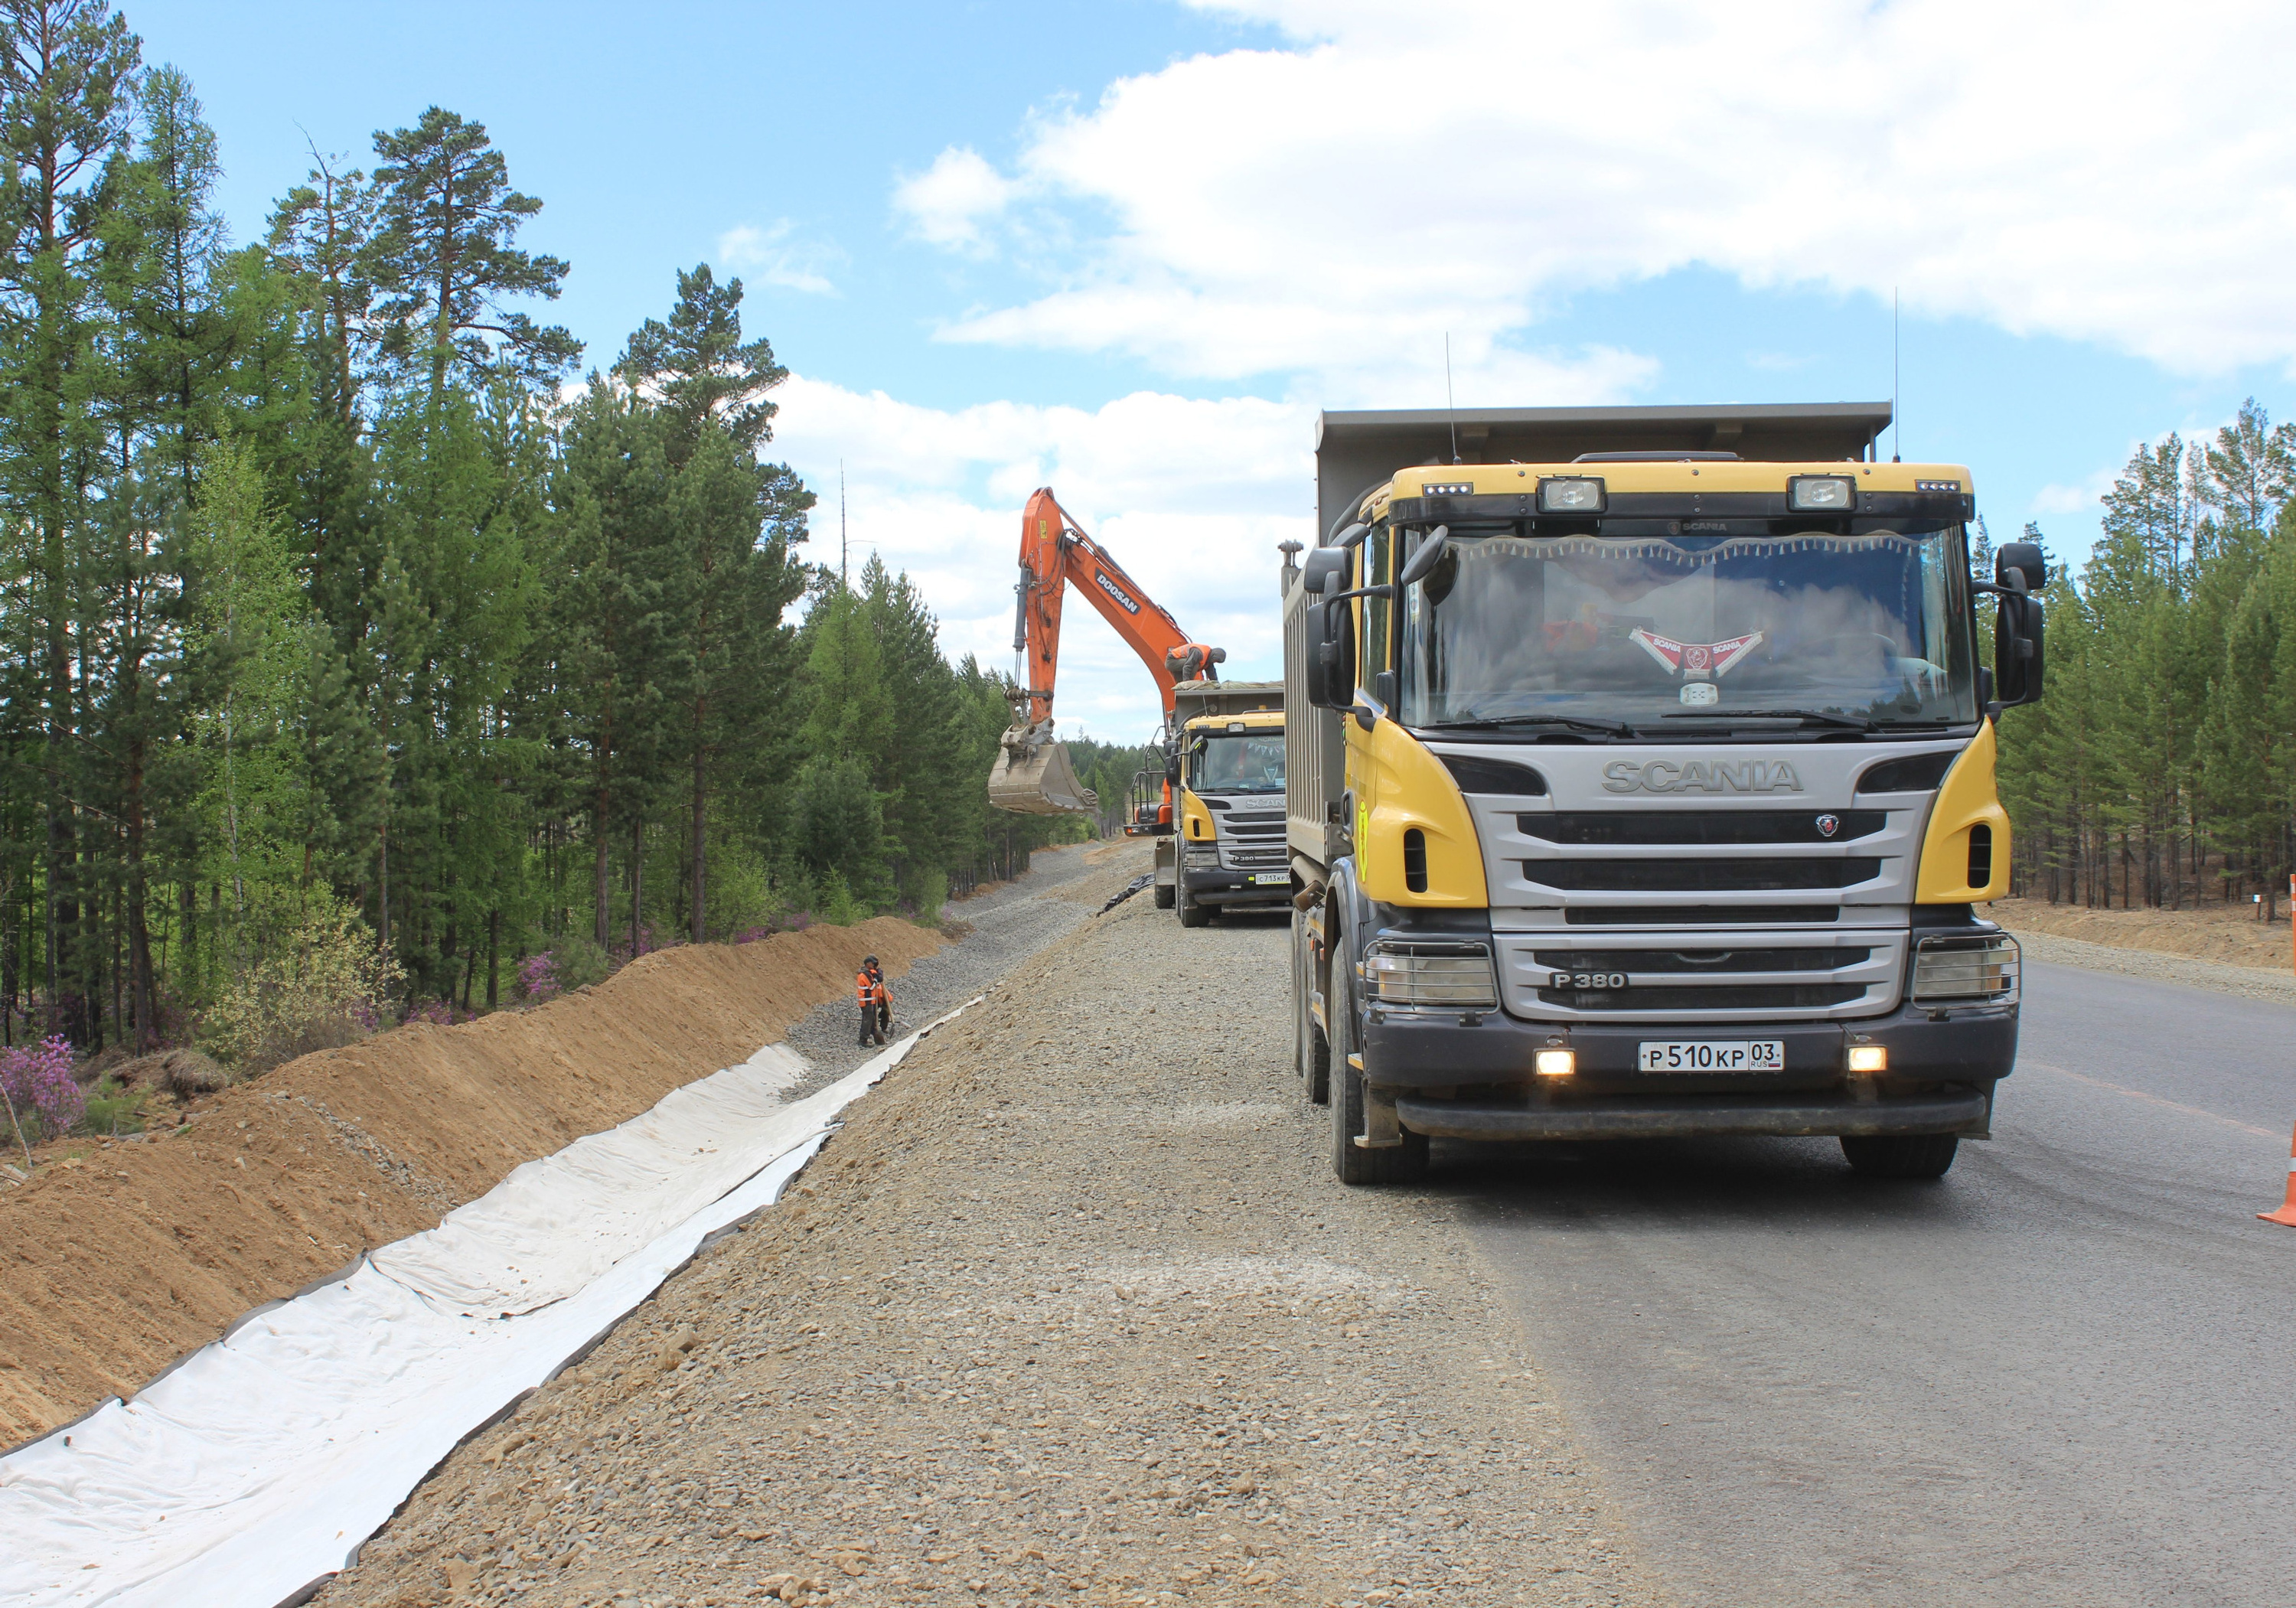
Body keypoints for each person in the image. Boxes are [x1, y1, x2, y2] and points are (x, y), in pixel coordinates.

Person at [856, 956, 892, 1047]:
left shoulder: (867, 973)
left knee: (872, 1018)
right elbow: (872, 986)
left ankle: (873, 1032)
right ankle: (863, 1040)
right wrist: (876, 979)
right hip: (866, 1000)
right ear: (867, 964)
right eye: (872, 964)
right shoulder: (865, 974)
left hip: (870, 1000)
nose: (873, 966)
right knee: (867, 1020)